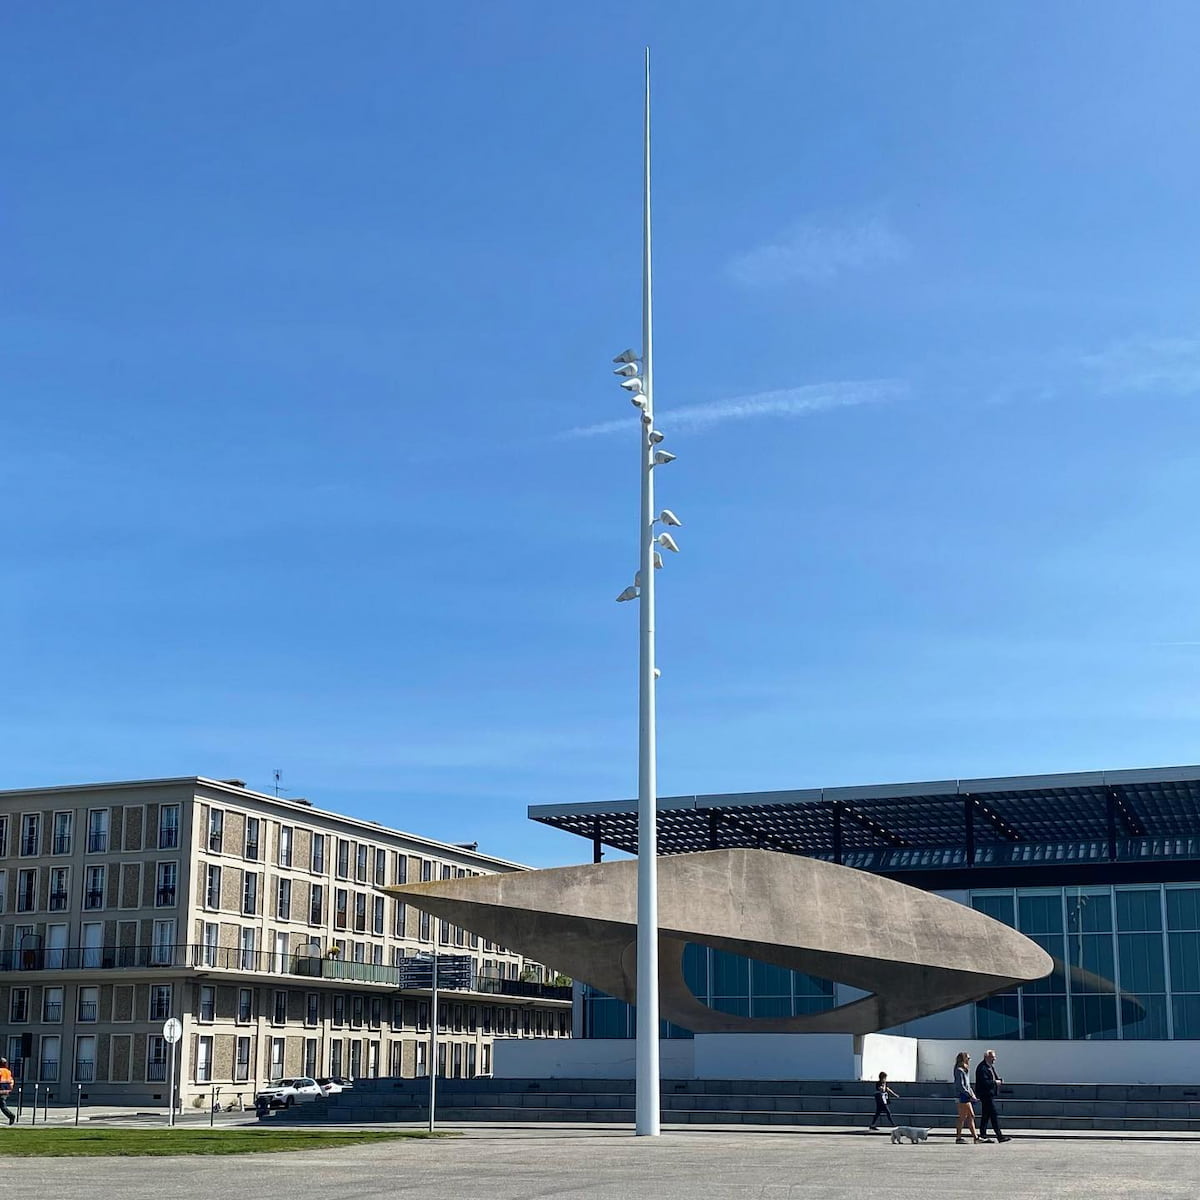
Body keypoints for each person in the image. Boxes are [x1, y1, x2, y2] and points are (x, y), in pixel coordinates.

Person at [975, 1049, 1012, 1142]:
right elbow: (984, 1082)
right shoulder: (982, 1068)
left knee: (986, 1115)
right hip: (985, 1094)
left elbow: (993, 1077)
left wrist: (998, 1080)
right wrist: (995, 1082)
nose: (994, 1059)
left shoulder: (990, 1067)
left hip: (990, 1094)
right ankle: (999, 1136)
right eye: (992, 1057)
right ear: (987, 1057)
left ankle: (982, 1134)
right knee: (993, 1114)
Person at [953, 1051, 988, 1143]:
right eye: (968, 1058)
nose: (969, 1060)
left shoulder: (965, 1070)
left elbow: (967, 1085)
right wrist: (969, 1094)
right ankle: (959, 1137)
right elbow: (961, 1086)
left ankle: (975, 1137)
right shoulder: (959, 1071)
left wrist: (972, 1094)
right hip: (962, 1096)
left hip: (965, 1096)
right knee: (963, 1117)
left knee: (970, 1116)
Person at [0, 1058, 16, 1126]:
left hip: (0, 1090)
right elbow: (11, 1080)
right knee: (2, 1105)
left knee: (3, 1106)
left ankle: (11, 1116)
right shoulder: (8, 1071)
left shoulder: (0, 1071)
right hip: (5, 1090)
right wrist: (10, 1088)